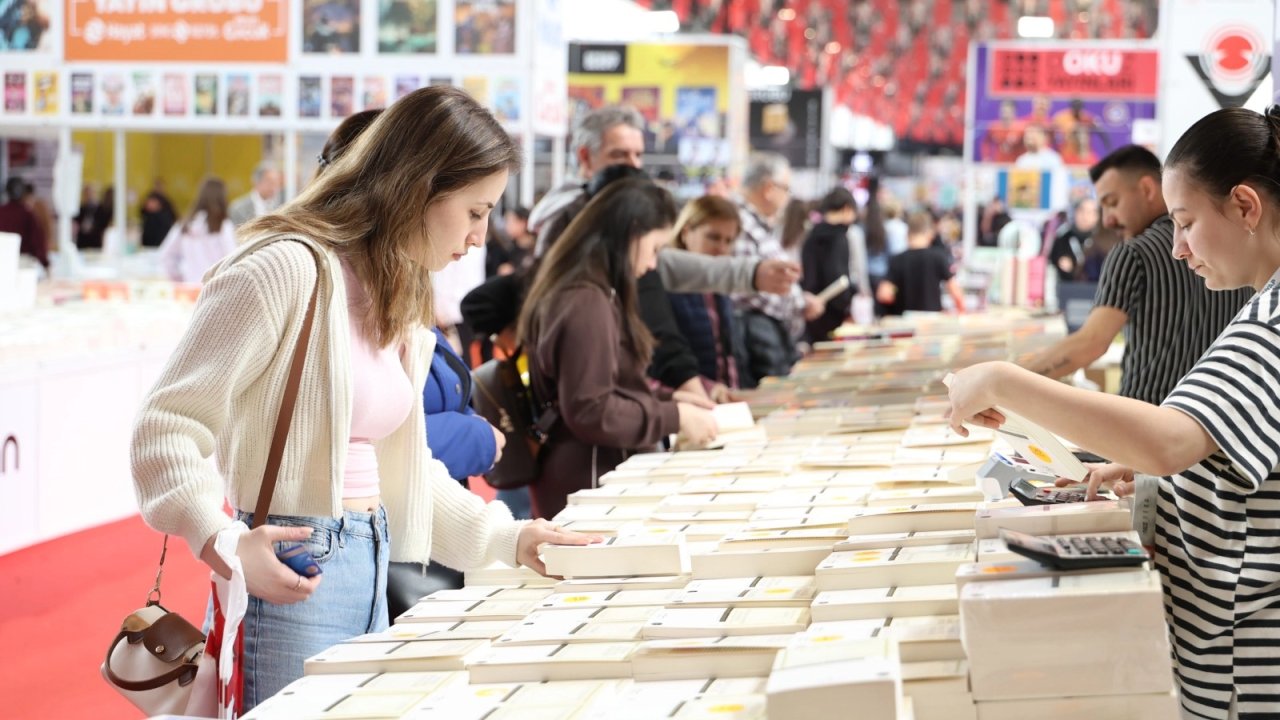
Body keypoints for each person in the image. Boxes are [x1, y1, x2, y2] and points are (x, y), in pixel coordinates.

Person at [129, 86, 593, 711]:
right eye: (475, 211)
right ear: (420, 189)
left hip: (373, 559)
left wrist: (507, 539)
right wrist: (226, 543)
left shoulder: (392, 290)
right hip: (295, 567)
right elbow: (164, 427)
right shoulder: (284, 269)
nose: (481, 237)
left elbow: (395, 472)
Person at [946, 106, 1280, 720]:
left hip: (1244, 654)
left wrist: (1002, 379)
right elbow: (1220, 456)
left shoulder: (1273, 321)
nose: (1177, 249)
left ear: (1245, 207)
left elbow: (1171, 441)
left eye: (1185, 223)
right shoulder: (1260, 304)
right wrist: (1157, 482)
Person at [517, 179, 720, 519]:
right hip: (591, 481)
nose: (654, 264)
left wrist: (668, 403)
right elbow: (591, 410)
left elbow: (603, 393)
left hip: (592, 473)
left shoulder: (590, 291)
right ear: (632, 234)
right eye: (654, 248)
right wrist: (674, 415)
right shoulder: (585, 300)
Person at [1021, 145, 1251, 404]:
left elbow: (1091, 343)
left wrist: (1008, 381)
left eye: (1112, 203)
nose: (1107, 220)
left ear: (1147, 189)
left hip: (1146, 420)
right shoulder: (1235, 253)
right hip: (1218, 424)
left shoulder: (1133, 253)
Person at [733, 152, 823, 384]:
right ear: (768, 188)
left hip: (766, 336)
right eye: (786, 189)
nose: (787, 197)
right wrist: (799, 303)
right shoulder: (740, 221)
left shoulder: (755, 222)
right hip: (756, 338)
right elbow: (744, 288)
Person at [667, 195, 745, 403]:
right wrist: (708, 388)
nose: (721, 248)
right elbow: (662, 361)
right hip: (685, 406)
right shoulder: (665, 285)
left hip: (719, 405)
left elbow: (726, 355)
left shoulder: (719, 288)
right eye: (713, 237)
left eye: (728, 241)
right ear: (686, 232)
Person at [876, 210, 964, 315]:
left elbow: (884, 294)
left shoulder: (897, 260)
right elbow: (956, 293)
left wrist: (897, 291)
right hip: (932, 322)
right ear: (930, 233)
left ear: (908, 233)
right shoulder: (938, 257)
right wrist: (961, 312)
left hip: (904, 322)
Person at [801, 187, 857, 342]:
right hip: (833, 315)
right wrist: (846, 308)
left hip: (811, 310)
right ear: (847, 208)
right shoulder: (839, 237)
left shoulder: (811, 235)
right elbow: (837, 275)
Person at [156, 177, 237, 283]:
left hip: (188, 289)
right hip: (215, 289)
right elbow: (233, 260)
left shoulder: (185, 224)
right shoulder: (223, 226)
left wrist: (179, 279)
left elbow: (166, 256)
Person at [0, 177, 48, 271]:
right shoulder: (27, 214)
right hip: (23, 264)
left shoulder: (2, 211)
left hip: (3, 262)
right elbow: (37, 241)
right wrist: (45, 263)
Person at [1049, 198, 1099, 282]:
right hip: (1068, 289)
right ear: (1075, 213)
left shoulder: (1103, 240)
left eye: (1091, 212)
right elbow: (1055, 263)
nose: (1085, 216)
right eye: (1082, 211)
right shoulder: (1062, 238)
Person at [228, 162, 283, 227]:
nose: (274, 187)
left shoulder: (282, 206)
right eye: (270, 182)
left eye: (276, 182)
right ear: (257, 182)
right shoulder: (238, 209)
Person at [139, 179, 178, 248]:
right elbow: (142, 212)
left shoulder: (166, 202)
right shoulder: (150, 196)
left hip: (161, 240)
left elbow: (173, 217)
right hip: (149, 241)